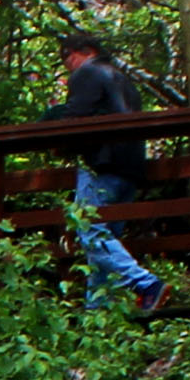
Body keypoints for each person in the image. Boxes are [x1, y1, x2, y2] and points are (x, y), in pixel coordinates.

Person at [54, 33, 167, 314]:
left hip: (101, 163)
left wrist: (55, 138)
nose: (66, 63)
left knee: (89, 231)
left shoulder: (88, 72)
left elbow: (74, 118)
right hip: (130, 167)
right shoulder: (122, 79)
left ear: (85, 51)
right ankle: (99, 320)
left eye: (66, 55)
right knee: (102, 250)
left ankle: (146, 284)